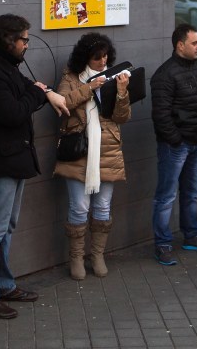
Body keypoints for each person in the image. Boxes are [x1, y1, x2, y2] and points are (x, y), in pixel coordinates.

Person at [0, 14, 69, 319]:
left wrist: (42, 91)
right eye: (24, 39)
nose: (27, 44)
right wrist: (39, 93)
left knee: (6, 227)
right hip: (0, 161)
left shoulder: (6, 67)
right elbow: (13, 113)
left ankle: (3, 284)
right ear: (8, 40)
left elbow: (29, 88)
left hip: (15, 158)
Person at [54, 33, 131, 281]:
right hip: (79, 149)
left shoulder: (114, 75)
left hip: (107, 149)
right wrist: (90, 88)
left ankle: (97, 255)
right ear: (85, 57)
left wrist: (121, 92)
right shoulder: (71, 77)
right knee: (79, 207)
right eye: (97, 57)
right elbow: (63, 103)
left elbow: (122, 117)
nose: (102, 61)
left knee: (103, 206)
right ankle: (76, 257)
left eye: (106, 55)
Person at [151, 23, 197, 266]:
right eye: (194, 43)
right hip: (176, 145)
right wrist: (177, 140)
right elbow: (161, 115)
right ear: (180, 45)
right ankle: (163, 244)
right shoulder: (165, 75)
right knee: (166, 196)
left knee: (192, 193)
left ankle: (192, 235)